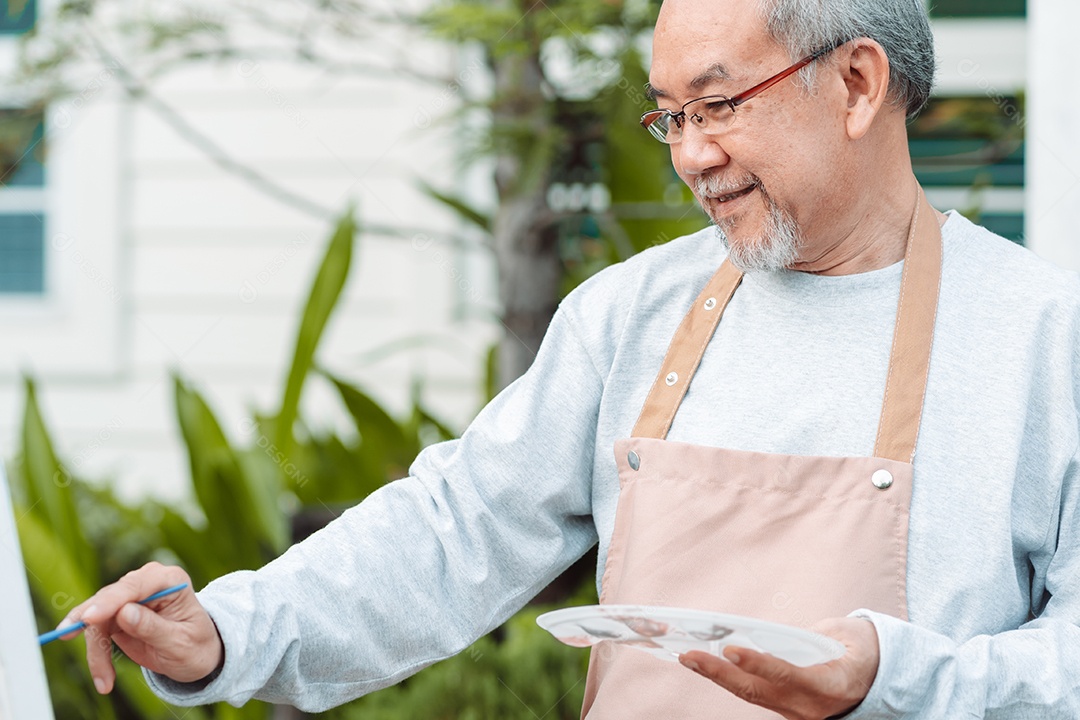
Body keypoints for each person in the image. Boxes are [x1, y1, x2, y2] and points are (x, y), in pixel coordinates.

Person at [60, 0, 1080, 717]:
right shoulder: (632, 316)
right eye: (669, 115)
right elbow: (450, 533)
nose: (689, 155)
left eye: (720, 105)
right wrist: (230, 633)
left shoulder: (1041, 337)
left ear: (857, 83)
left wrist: (894, 682)